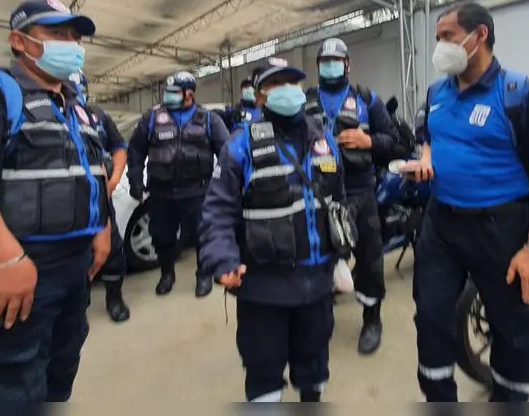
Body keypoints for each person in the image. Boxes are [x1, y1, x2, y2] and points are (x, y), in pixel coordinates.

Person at [0, 0, 111, 402]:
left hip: (73, 271)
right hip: (16, 270)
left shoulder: (75, 108)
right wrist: (7, 259)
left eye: (75, 36)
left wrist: (101, 230)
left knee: (59, 374)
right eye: (57, 33)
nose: (71, 44)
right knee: (16, 384)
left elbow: (88, 173)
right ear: (20, 41)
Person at [402, 2, 529, 403]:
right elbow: (430, 134)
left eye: (448, 37)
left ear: (480, 37)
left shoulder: (519, 94)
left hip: (500, 227)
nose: (440, 46)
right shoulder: (437, 92)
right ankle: (439, 396)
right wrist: (425, 157)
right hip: (441, 223)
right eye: (438, 37)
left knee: (514, 325)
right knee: (431, 315)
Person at [199, 57, 346, 402]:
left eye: (292, 82)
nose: (287, 90)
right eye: (275, 84)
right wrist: (222, 259)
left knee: (314, 366)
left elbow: (337, 201)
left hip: (317, 286)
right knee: (264, 373)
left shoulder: (324, 140)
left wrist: (340, 255)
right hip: (263, 290)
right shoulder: (240, 145)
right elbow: (218, 211)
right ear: (260, 96)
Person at [304, 38, 399, 355]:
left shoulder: (367, 100)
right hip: (318, 195)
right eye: (324, 61)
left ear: (348, 64)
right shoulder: (306, 102)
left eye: (335, 60)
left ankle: (372, 318)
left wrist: (367, 140)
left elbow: (393, 141)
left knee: (371, 260)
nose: (329, 66)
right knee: (319, 259)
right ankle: (321, 316)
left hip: (361, 192)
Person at [127, 71, 229, 297]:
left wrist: (224, 186)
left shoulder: (209, 119)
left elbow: (227, 153)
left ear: (189, 94)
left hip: (198, 191)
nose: (168, 96)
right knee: (162, 237)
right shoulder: (152, 118)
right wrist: (135, 178)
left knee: (204, 236)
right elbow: (135, 150)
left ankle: (203, 275)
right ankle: (166, 274)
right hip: (161, 192)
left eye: (174, 92)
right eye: (168, 92)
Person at [69, 72, 131, 323]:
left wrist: (114, 179)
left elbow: (118, 147)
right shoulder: (41, 112)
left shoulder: (97, 115)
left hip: (99, 201)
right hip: (62, 202)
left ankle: (114, 299)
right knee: (74, 257)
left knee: (112, 250)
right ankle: (76, 304)